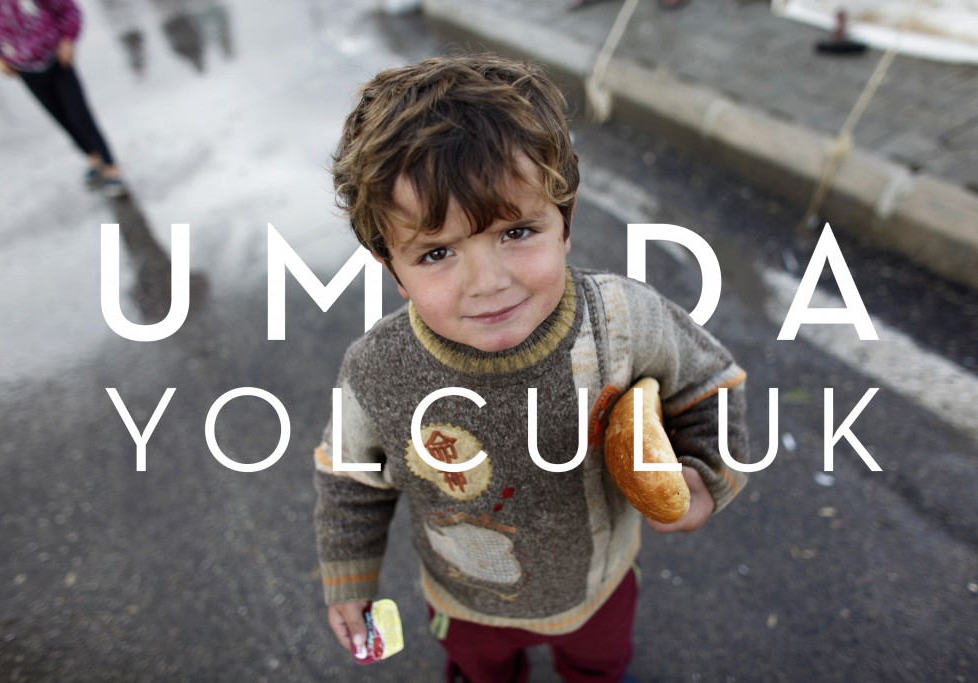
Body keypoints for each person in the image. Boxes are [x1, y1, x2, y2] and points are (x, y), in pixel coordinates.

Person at [313, 53, 750, 683]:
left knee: (598, 668)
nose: (487, 283)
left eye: (516, 232)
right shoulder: (377, 369)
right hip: (465, 601)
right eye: (436, 252)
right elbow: (351, 477)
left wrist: (706, 476)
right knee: (483, 673)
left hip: (598, 587)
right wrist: (349, 575)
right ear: (393, 271)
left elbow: (711, 386)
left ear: (565, 222)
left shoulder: (623, 321)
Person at [0, 0, 126, 197]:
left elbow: (67, 8)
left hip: (56, 57)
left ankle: (110, 166)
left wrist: (68, 38)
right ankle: (92, 157)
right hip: (23, 66)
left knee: (79, 113)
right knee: (60, 116)